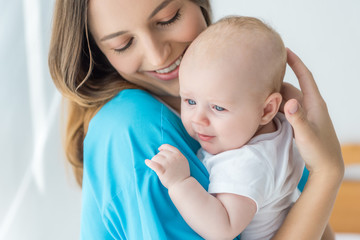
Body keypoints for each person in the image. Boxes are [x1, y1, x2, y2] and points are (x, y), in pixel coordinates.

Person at [48, 0, 344, 239]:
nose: (157, 55)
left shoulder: (246, 97)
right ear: (99, 55)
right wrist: (327, 172)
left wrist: (321, 174)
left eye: (168, 18)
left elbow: (305, 214)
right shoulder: (132, 130)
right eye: (123, 44)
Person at [145, 16, 304, 240]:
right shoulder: (280, 124)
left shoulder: (248, 164)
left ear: (267, 110)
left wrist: (180, 183)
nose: (198, 119)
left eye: (218, 107)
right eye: (190, 102)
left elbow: (222, 229)